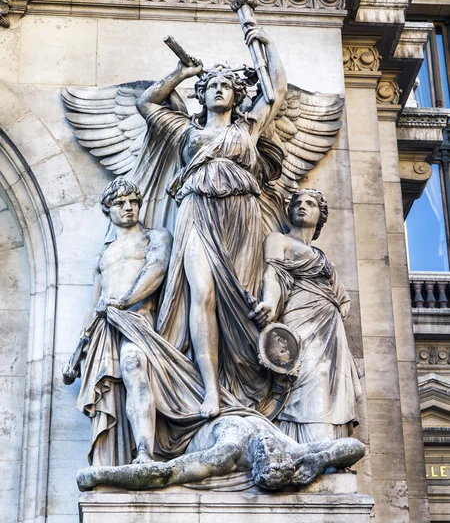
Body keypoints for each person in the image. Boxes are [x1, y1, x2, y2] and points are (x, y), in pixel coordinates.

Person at [134, 26, 287, 419]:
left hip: (241, 215)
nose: (218, 89)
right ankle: (209, 390)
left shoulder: (247, 128)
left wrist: (265, 44)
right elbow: (147, 104)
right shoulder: (186, 131)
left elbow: (277, 92)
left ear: (237, 96)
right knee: (201, 292)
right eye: (211, 85)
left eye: (226, 85)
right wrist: (182, 74)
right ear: (201, 95)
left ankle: (238, 383)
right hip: (195, 211)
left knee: (239, 297)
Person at [63, 177, 173, 466]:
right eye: (120, 203)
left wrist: (125, 300)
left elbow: (157, 269)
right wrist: (76, 355)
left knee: (133, 364)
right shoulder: (104, 255)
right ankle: (112, 460)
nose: (128, 208)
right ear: (107, 210)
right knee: (107, 392)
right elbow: (93, 306)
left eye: (134, 202)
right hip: (105, 327)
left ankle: (145, 452)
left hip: (138, 320)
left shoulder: (154, 237)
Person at [252, 189, 362, 442]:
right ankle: (304, 444)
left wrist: (334, 313)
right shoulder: (278, 240)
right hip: (298, 318)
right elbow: (274, 273)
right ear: (289, 212)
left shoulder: (324, 259)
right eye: (297, 203)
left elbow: (343, 299)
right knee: (303, 374)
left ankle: (326, 442)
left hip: (329, 327)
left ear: (320, 215)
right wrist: (269, 302)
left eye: (310, 204)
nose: (302, 206)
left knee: (326, 375)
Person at [77, 412, 365, 492]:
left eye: (269, 457)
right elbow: (356, 447)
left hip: (184, 424)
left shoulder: (228, 452)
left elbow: (165, 473)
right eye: (278, 457)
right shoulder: (294, 449)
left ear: (256, 467)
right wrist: (320, 459)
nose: (272, 449)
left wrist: (100, 474)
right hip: (221, 402)